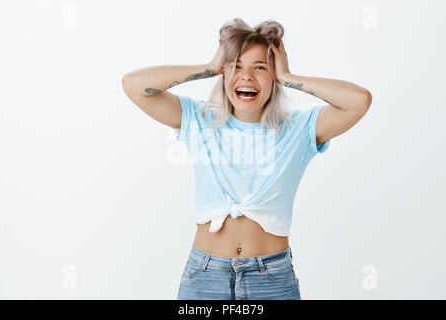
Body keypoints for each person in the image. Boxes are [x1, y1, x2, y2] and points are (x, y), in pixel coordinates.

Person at [122, 18, 372, 300]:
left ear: (273, 75)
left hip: (271, 278)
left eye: (260, 68)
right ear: (224, 73)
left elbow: (359, 100)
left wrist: (288, 76)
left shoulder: (299, 129)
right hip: (205, 276)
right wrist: (209, 67)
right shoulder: (199, 119)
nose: (247, 77)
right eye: (236, 66)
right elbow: (134, 86)